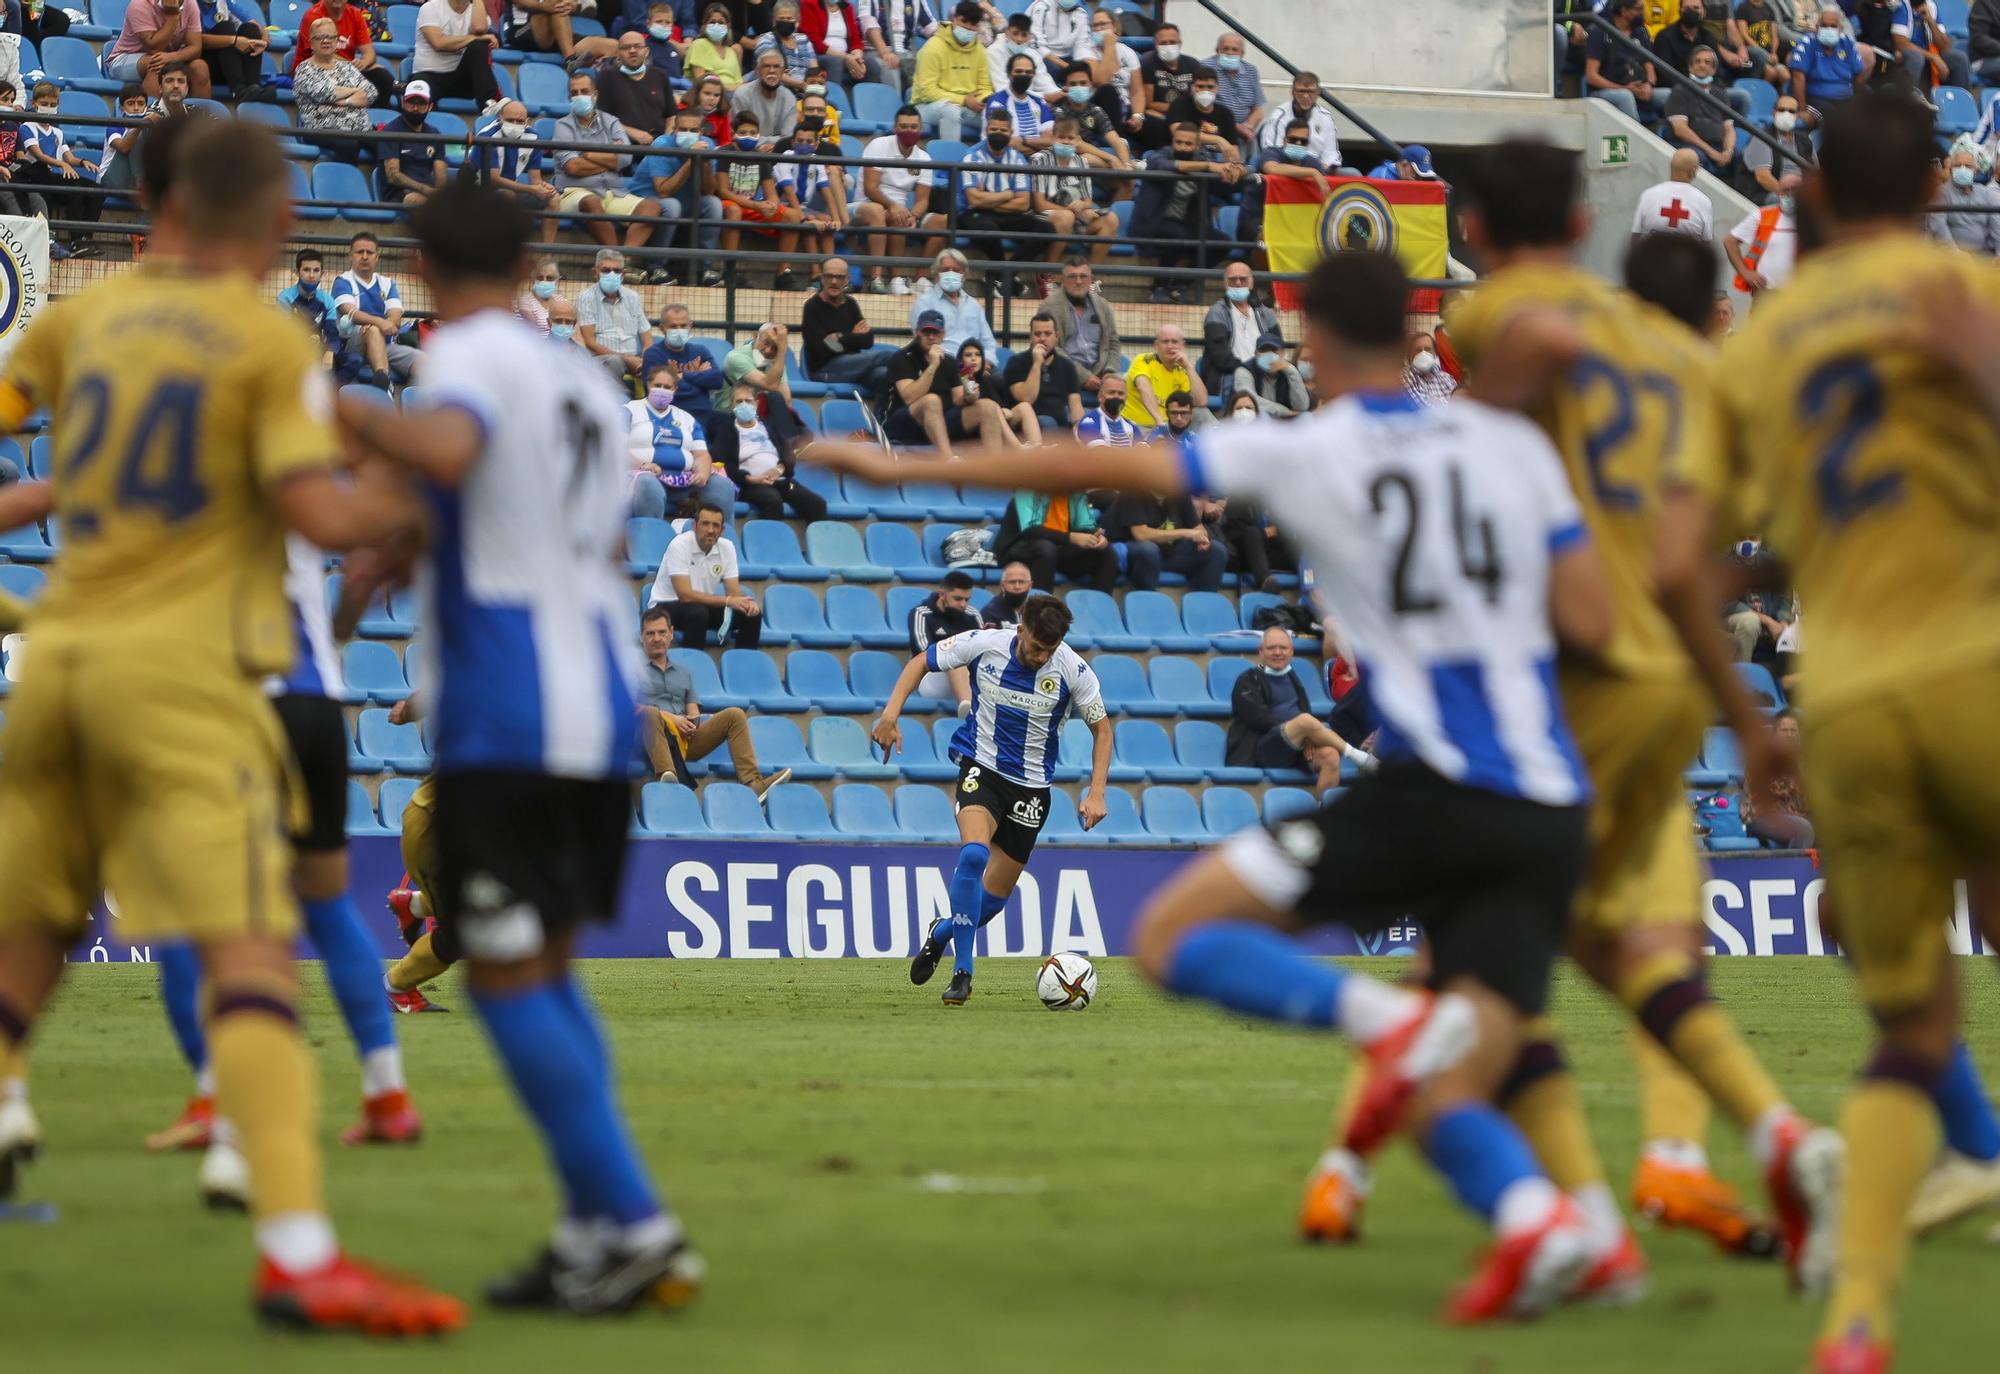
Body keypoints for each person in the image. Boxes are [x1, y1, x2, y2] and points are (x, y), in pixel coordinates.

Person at [807, 248, 1631, 1322]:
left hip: (1442, 791)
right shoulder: (1512, 450)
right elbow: (1593, 623)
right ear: (1418, 334)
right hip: (1552, 799)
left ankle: (1383, 1025)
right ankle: (1546, 1227)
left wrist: (901, 472)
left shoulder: (1310, 450)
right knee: (1462, 1067)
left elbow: (1100, 468)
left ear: (1314, 344)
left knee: (1176, 935)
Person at [0, 116, 459, 1333]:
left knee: (33, 930)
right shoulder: (262, 341)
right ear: (260, 224)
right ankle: (300, 1249)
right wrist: (401, 501)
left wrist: (52, 491)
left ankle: (7, 1104)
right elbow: (313, 511)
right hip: (192, 679)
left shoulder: (72, 320)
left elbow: (16, 425)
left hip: (55, 659)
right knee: (255, 949)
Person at [1434, 135, 1840, 1280]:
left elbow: (1474, 404)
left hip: (1552, 674)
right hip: (1668, 684)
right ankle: (1700, 1146)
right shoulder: (1723, 391)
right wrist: (1751, 717)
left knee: (1490, 944)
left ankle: (1543, 1201)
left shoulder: (1547, 332)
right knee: (1660, 940)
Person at [333, 177, 702, 1315]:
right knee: (534, 969)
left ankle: (637, 1223)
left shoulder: (470, 360)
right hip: (598, 701)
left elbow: (441, 454)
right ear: (530, 259)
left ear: (425, 271)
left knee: (497, 974)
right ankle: (594, 1233)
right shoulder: (579, 378)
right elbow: (467, 511)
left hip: (514, 708)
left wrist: (332, 407)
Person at [1701, 90, 2000, 1372]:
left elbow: (1689, 560)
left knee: (1897, 996)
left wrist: (1746, 719)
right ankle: (1978, 1156)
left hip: (1859, 701)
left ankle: (1861, 1323)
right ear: (1937, 185)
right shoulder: (1968, 301)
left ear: (1812, 192)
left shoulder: (1765, 347)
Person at [148, 530, 427, 1205]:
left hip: (237, 701)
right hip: (315, 704)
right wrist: (330, 639)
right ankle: (387, 1094)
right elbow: (360, 564)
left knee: (200, 907)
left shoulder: (191, 473)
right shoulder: (302, 484)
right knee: (325, 905)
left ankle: (216, 1101)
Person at [872, 595, 1110, 1004]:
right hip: (981, 767)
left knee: (991, 905)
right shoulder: (986, 643)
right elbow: (919, 663)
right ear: (1021, 630)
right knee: (973, 856)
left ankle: (942, 931)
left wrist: (1097, 792)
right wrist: (890, 715)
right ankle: (963, 972)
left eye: (1048, 650)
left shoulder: (1073, 669)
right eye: (1036, 646)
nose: (1040, 656)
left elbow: (1102, 730)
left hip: (1032, 788)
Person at [636, 607, 792, 796]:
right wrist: (670, 718)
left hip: (683, 740)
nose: (657, 638)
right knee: (649, 713)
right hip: (650, 739)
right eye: (650, 633)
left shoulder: (683, 673)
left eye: (662, 632)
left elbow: (693, 712)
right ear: (642, 638)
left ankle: (754, 785)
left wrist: (690, 723)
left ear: (671, 634)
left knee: (734, 715)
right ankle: (667, 776)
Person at [1226, 625, 1372, 773]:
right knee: (1306, 721)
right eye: (1271, 648)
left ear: (1292, 652)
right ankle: (1360, 757)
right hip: (1260, 750)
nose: (1277, 652)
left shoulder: (1292, 677)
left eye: (1283, 648)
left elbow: (1304, 711)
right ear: (1260, 651)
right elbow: (1259, 718)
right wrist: (1302, 731)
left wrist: (1306, 734)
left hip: (1296, 747)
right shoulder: (1248, 679)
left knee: (1330, 756)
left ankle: (1324, 796)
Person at [556, 72, 663, 257]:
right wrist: (610, 158)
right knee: (591, 202)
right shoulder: (562, 126)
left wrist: (587, 153)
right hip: (575, 191)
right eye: (575, 92)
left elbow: (625, 159)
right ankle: (613, 260)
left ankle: (623, 261)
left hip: (613, 191)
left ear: (595, 94)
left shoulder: (611, 121)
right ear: (569, 98)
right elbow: (572, 167)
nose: (580, 96)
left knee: (652, 207)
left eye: (585, 91)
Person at [850, 105, 950, 295]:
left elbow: (922, 200)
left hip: (902, 209)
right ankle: (884, 278)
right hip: (868, 206)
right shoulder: (878, 145)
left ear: (920, 130)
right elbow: (870, 188)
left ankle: (920, 279)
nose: (909, 131)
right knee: (885, 213)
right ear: (895, 128)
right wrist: (893, 206)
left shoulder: (924, 158)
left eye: (913, 127)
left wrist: (914, 215)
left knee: (943, 222)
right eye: (904, 126)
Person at [883, 308, 1008, 454]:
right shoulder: (903, 358)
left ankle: (994, 470)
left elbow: (957, 399)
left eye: (935, 333)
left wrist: (970, 396)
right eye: (926, 332)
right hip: (904, 422)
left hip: (939, 421)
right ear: (917, 332)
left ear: (943, 335)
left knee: (988, 406)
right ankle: (949, 460)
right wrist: (933, 365)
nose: (931, 337)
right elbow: (909, 397)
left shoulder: (949, 361)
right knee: (931, 400)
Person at [958, 105, 1054, 291]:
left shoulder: (1017, 159)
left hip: (1004, 214)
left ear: (1011, 132)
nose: (998, 133)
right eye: (994, 129)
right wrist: (1009, 194)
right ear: (986, 130)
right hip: (973, 215)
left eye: (1003, 130)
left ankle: (1003, 275)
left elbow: (1024, 203)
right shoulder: (972, 157)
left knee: (1046, 229)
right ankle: (1004, 278)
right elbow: (974, 201)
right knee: (988, 227)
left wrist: (988, 199)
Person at [1134, 122, 1230, 304]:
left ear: (1196, 146)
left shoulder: (1202, 158)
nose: (1182, 147)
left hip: (1188, 223)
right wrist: (1206, 167)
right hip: (1156, 221)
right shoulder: (1161, 155)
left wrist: (1235, 169)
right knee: (1177, 235)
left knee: (1223, 243)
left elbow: (1227, 184)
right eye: (1178, 142)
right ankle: (1158, 287)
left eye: (1188, 144)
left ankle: (1180, 284)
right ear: (1173, 142)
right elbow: (1160, 164)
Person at [624, 362, 736, 518]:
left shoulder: (687, 418)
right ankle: (649, 536)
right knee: (647, 483)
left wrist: (703, 471)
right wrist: (643, 466)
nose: (662, 390)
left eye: (667, 387)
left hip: (684, 480)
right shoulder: (629, 410)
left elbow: (701, 455)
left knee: (721, 485)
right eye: (658, 385)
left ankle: (724, 540)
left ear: (675, 390)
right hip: (642, 476)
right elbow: (616, 450)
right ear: (648, 384)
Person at [710, 380, 828, 521]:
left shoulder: (767, 425)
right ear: (732, 405)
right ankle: (771, 542)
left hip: (782, 481)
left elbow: (787, 454)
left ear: (756, 403)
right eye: (739, 401)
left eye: (748, 401)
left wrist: (779, 469)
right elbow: (720, 462)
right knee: (772, 501)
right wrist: (749, 478)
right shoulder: (726, 428)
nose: (743, 405)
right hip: (750, 486)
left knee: (817, 504)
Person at [648, 502, 762, 646]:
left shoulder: (727, 547)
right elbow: (685, 595)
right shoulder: (679, 544)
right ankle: (693, 664)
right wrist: (727, 601)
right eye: (705, 524)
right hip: (664, 606)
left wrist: (747, 604)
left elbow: (734, 593)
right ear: (694, 526)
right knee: (698, 613)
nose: (710, 530)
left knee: (752, 615)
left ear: (722, 530)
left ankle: (744, 665)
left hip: (701, 606)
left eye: (716, 525)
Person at [714, 110, 807, 285]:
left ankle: (783, 274)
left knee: (792, 215)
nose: (748, 136)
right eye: (743, 133)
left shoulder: (761, 157)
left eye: (752, 133)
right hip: (727, 204)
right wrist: (757, 206)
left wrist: (772, 204)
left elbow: (770, 190)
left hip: (751, 206)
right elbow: (723, 191)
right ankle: (730, 270)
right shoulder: (724, 153)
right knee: (733, 210)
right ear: (734, 134)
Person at [630, 105, 725, 263]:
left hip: (685, 201)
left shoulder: (708, 144)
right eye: (683, 129)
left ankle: (705, 267)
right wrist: (690, 160)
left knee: (713, 203)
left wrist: (705, 163)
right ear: (674, 129)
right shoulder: (662, 144)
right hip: (649, 200)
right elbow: (664, 191)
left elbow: (708, 190)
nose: (688, 134)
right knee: (672, 205)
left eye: (693, 130)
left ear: (701, 132)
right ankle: (656, 266)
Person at [1108, 473, 1228, 592]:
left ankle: (1202, 605)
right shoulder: (1133, 490)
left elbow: (1198, 528)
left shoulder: (1179, 492)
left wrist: (1202, 539)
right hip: (1131, 554)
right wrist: (1186, 533)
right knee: (1148, 550)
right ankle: (1145, 601)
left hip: (1165, 554)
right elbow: (1141, 535)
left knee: (1216, 550)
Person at [1028, 114, 1118, 264]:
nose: (1065, 141)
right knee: (1066, 218)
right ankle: (1046, 273)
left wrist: (1082, 205)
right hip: (1044, 217)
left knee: (1111, 219)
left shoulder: (1082, 162)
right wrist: (1073, 212)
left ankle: (1091, 276)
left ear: (1077, 140)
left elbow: (1088, 201)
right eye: (1061, 137)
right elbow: (1039, 205)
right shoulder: (1039, 159)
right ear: (1053, 138)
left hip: (1075, 216)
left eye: (1070, 138)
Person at [332, 231, 419, 384]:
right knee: (372, 330)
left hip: (385, 347)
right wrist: (380, 323)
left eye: (369, 252)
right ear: (350, 255)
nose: (365, 256)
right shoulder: (343, 281)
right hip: (353, 347)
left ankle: (418, 402)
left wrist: (387, 324)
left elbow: (395, 317)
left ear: (377, 257)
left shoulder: (387, 283)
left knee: (424, 363)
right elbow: (350, 311)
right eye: (359, 252)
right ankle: (383, 383)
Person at [991, 485, 1115, 590]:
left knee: (1105, 551)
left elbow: (1085, 526)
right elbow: (1030, 530)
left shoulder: (1076, 493)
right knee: (1046, 548)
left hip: (1056, 550)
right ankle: (1040, 609)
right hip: (1017, 547)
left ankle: (1099, 611)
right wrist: (1071, 537)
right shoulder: (1027, 489)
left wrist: (1097, 537)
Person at [469, 100, 559, 242]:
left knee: (553, 198)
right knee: (507, 195)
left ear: (527, 121)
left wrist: (543, 187)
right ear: (500, 119)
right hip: (481, 189)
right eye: (510, 120)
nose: (515, 124)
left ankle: (547, 256)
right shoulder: (487, 136)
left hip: (512, 187)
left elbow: (535, 179)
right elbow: (494, 179)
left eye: (519, 121)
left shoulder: (533, 138)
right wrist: (533, 189)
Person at [801, 255, 891, 391]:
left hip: (853, 364)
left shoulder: (851, 304)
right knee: (885, 356)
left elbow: (868, 340)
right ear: (822, 278)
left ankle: (881, 412)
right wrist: (853, 337)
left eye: (840, 277)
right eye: (829, 276)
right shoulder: (812, 307)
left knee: (883, 374)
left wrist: (840, 337)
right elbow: (819, 350)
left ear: (847, 280)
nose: (834, 281)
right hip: (825, 370)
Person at [293, 17, 376, 154]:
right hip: (322, 129)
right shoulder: (304, 69)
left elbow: (371, 93)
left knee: (388, 144)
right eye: (319, 37)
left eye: (330, 37)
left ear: (337, 41)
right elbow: (325, 92)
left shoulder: (347, 67)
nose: (325, 41)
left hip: (360, 128)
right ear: (311, 43)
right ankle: (347, 176)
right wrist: (356, 91)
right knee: (349, 142)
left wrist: (346, 101)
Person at [912, 0, 994, 139]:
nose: (968, 28)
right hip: (927, 106)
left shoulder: (980, 51)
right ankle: (950, 159)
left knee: (998, 117)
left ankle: (986, 159)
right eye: (964, 22)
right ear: (954, 19)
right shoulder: (932, 48)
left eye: (973, 24)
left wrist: (984, 100)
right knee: (951, 111)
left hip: (967, 107)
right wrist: (963, 100)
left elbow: (984, 86)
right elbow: (926, 91)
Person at [577, 247, 655, 387]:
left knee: (662, 364)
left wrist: (646, 359)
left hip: (634, 359)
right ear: (595, 273)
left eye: (617, 271)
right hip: (602, 359)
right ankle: (615, 403)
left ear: (623, 274)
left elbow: (647, 338)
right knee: (615, 362)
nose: (612, 274)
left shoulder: (633, 297)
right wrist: (626, 360)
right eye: (606, 270)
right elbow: (590, 342)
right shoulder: (585, 298)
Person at [1045, 256, 1121, 399]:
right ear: (1062, 279)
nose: (1078, 281)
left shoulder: (1103, 305)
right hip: (1064, 375)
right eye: (1072, 276)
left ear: (1091, 279)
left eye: (1083, 276)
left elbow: (1113, 343)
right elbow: (1051, 348)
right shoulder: (1049, 307)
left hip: (1101, 376)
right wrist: (1083, 376)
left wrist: (1109, 373)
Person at [1200, 259, 1277, 397]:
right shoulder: (1216, 313)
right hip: (1231, 374)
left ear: (1252, 283)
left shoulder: (1266, 314)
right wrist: (1248, 371)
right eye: (1232, 279)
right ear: (1225, 284)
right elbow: (1220, 356)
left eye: (1243, 279)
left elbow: (1277, 346)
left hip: (1265, 373)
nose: (1238, 283)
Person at [291, 0, 391, 104]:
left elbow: (369, 53)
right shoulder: (313, 15)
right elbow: (322, 55)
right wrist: (352, 67)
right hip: (316, 70)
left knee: (383, 77)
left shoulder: (355, 14)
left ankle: (375, 116)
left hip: (346, 70)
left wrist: (363, 63)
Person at [103, 0, 210, 96]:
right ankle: (151, 115)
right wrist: (173, 17)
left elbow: (196, 48)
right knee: (158, 63)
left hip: (167, 57)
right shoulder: (139, 5)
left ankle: (201, 116)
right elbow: (154, 48)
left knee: (200, 67)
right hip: (124, 58)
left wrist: (172, 57)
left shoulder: (190, 4)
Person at [908, 569, 981, 708]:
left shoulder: (973, 615)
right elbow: (924, 654)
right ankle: (968, 708)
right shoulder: (921, 614)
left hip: (970, 676)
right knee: (954, 656)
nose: (963, 605)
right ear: (942, 594)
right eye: (958, 599)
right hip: (930, 680)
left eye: (967, 599)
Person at [1584, 0, 1666, 123]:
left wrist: (1649, 84)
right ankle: (1637, 139)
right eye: (1638, 9)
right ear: (1624, 11)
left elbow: (1649, 64)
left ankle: (1670, 137)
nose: (1643, 13)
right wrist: (1623, 88)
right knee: (1624, 96)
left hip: (1637, 89)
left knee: (1669, 95)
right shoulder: (1600, 31)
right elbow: (1591, 76)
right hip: (1606, 92)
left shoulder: (1641, 31)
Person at [1737, 711, 1810, 848]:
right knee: (1803, 830)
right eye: (1784, 730)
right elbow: (1776, 792)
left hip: (1795, 814)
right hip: (1760, 816)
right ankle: (1791, 869)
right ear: (1775, 733)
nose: (1789, 735)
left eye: (1793, 731)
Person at [641, 304, 724, 423]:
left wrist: (683, 376)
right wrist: (699, 380)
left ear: (690, 325)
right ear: (662, 328)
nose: (679, 330)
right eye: (673, 327)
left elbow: (717, 380)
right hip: (669, 415)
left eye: (683, 326)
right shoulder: (653, 354)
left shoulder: (700, 351)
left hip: (704, 415)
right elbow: (660, 390)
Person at [1003, 309, 1083, 432]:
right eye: (1037, 334)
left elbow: (1075, 406)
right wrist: (1037, 363)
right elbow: (1026, 399)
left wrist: (1080, 428)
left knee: (1088, 420)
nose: (1042, 338)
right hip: (1027, 427)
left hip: (1060, 426)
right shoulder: (1016, 362)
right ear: (1030, 337)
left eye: (1047, 334)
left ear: (1056, 337)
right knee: (1047, 422)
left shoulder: (1067, 365)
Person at [411, 0, 501, 109]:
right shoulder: (430, 7)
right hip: (429, 75)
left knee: (478, 45)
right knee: (420, 91)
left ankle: (488, 105)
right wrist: (474, 38)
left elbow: (479, 28)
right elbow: (438, 43)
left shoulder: (476, 12)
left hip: (459, 78)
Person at [1661, 47, 1736, 176]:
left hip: (1717, 145)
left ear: (1714, 69)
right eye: (1698, 61)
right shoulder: (1680, 90)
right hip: (1689, 145)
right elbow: (1680, 130)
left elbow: (1729, 129)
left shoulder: (1720, 93)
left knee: (1741, 158)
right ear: (1690, 67)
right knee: (1697, 157)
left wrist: (1728, 151)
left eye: (1707, 62)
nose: (1702, 65)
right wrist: (1711, 152)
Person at [1724, 169, 1799, 295]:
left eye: (1795, 190)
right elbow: (1730, 241)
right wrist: (1745, 273)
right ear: (1779, 193)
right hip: (1766, 291)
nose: (1791, 194)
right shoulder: (1762, 215)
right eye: (1786, 190)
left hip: (1799, 294)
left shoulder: (1813, 219)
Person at [596, 29, 677, 143]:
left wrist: (665, 140)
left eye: (638, 46)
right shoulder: (606, 76)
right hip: (623, 145)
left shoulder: (660, 75)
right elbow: (600, 117)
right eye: (626, 47)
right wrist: (632, 132)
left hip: (658, 146)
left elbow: (671, 115)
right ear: (617, 53)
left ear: (647, 51)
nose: (632, 51)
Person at [376, 81, 448, 208]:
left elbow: (441, 176)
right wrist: (426, 190)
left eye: (421, 103)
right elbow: (394, 176)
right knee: (420, 201)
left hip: (427, 193)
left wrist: (442, 195)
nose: (415, 108)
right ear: (403, 103)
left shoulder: (434, 134)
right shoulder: (390, 132)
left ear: (430, 106)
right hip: (398, 193)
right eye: (411, 102)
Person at [911, 248, 997, 353]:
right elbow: (923, 341)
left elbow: (988, 342)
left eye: (956, 270)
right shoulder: (924, 302)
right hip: (942, 363)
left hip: (975, 364)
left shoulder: (973, 305)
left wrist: (986, 362)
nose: (951, 274)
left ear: (964, 275)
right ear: (937, 274)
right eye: (945, 270)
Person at [1124, 323, 1208, 429]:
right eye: (1165, 341)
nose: (1170, 346)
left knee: (1201, 413)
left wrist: (1189, 367)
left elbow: (1201, 402)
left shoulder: (1182, 370)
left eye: (1174, 342)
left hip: (1169, 427)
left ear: (1182, 345)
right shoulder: (1143, 360)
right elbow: (1143, 388)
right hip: (1137, 426)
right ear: (1156, 345)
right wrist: (1160, 424)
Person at [1252, 69, 1339, 168]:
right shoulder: (1279, 115)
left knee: (1353, 173)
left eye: (1311, 91)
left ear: (1318, 93)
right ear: (1292, 92)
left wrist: (1328, 166)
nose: (1306, 96)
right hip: (1286, 169)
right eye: (1301, 91)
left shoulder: (1326, 117)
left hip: (1320, 169)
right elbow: (1272, 152)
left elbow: (1332, 154)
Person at [955, 338, 1035, 445]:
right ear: (961, 360)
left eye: (978, 355)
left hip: (998, 423)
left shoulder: (987, 379)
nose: (974, 359)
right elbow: (969, 400)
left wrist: (1004, 410)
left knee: (1024, 407)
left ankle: (1037, 447)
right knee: (992, 406)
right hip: (973, 425)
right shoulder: (961, 379)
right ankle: (1018, 448)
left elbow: (1000, 405)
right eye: (968, 355)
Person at [1789, 4, 1870, 111]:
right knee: (1834, 115)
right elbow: (1798, 76)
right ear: (1817, 27)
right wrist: (1802, 109)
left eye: (1833, 26)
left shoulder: (1847, 42)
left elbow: (1859, 72)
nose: (1828, 29)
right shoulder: (1807, 43)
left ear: (1840, 29)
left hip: (1845, 98)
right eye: (1824, 25)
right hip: (1816, 98)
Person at [1927, 146, 2000, 255]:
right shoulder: (1941, 193)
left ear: (1975, 171)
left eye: (1968, 166)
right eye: (1958, 166)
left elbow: (1997, 226)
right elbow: (1938, 229)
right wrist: (1957, 254)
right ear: (1951, 170)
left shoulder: (1985, 193)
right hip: (1950, 257)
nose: (1963, 169)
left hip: (1983, 256)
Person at [1632, 148, 1713, 241]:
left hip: (1651, 254)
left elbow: (1635, 235)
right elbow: (1706, 242)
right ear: (1693, 171)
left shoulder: (1648, 195)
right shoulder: (1703, 201)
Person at [1742, 92, 1809, 201]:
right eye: (1781, 110)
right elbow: (1763, 177)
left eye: (1791, 111)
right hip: (1769, 193)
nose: (1786, 114)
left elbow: (1814, 172)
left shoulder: (1804, 140)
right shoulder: (1762, 137)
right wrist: (1788, 196)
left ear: (1797, 116)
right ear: (1773, 113)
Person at [199, 0, 272, 98]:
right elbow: (195, 40)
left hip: (227, 64)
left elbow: (255, 25)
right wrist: (233, 40)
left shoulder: (224, 2)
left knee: (250, 29)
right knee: (225, 27)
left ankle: (253, 87)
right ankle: (239, 90)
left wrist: (265, 42)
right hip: (205, 66)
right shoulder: (188, 4)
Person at [731, 49, 800, 143]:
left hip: (779, 153)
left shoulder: (789, 98)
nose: (772, 71)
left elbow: (788, 138)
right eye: (766, 66)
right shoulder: (742, 94)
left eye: (776, 67)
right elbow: (742, 135)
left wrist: (773, 146)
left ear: (782, 72)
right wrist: (770, 144)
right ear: (757, 71)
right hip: (748, 150)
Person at [1209, 29, 1263, 134]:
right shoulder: (1206, 67)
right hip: (1216, 128)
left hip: (1245, 130)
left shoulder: (1251, 70)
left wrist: (1248, 127)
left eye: (1235, 49)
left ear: (1242, 54)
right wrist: (1236, 128)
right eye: (1225, 49)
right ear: (1217, 51)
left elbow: (1258, 109)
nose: (1230, 53)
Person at [1073, 369, 1144, 445]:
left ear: (1126, 398)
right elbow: (1101, 452)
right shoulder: (1088, 422)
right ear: (1100, 396)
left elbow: (1143, 452)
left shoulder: (1131, 425)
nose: (1116, 396)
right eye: (1111, 392)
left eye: (1120, 393)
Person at [685, 4, 744, 90]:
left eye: (721, 22)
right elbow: (701, 82)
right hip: (713, 94)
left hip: (735, 94)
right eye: (712, 22)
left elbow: (739, 82)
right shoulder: (699, 44)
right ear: (705, 24)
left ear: (728, 26)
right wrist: (732, 88)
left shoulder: (731, 51)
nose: (716, 25)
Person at [1402, 330, 1456, 406]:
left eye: (1427, 349)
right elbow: (1420, 408)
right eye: (1418, 350)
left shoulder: (1446, 378)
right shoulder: (1406, 378)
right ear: (1410, 356)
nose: (1423, 353)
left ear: (1435, 353)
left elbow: (1460, 405)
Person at [980, 559, 1033, 625]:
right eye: (1012, 582)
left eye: (1021, 582)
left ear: (1030, 585)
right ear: (1002, 586)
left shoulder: (1037, 611)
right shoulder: (990, 613)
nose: (1017, 586)